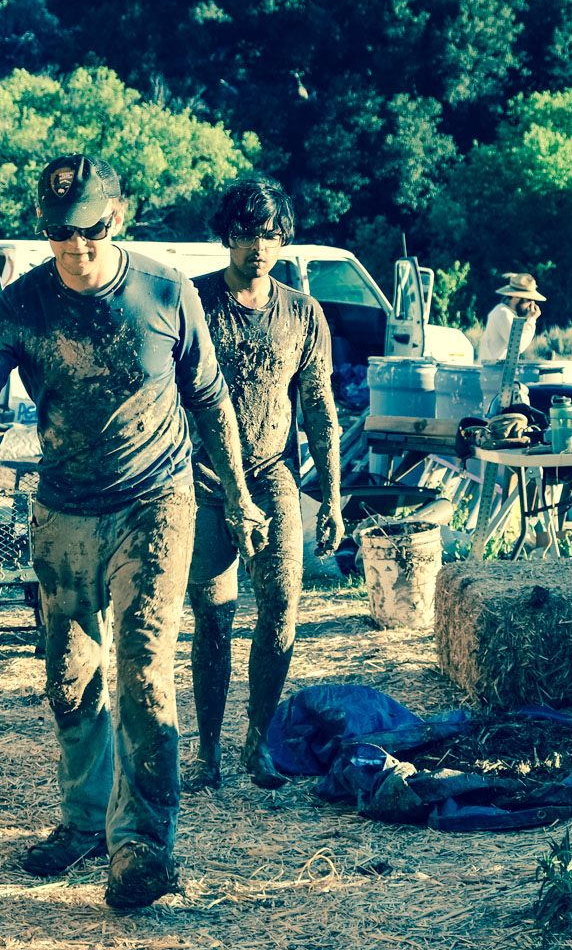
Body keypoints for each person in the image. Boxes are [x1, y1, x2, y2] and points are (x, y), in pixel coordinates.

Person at [0, 153, 269, 910]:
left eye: (91, 230)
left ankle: (142, 846)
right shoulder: (22, 304)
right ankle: (84, 822)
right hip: (64, 507)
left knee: (143, 671)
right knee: (70, 677)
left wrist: (238, 496)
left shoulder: (165, 291)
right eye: (60, 233)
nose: (76, 246)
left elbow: (211, 400)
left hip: (155, 502)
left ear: (117, 218)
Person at [184, 178, 344, 793]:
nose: (259, 247)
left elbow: (320, 409)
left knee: (280, 611)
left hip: (272, 471)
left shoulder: (303, 313)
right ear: (227, 236)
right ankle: (208, 751)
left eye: (271, 235)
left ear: (284, 239)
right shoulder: (194, 302)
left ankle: (257, 742)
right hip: (202, 478)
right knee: (213, 617)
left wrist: (331, 499)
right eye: (248, 234)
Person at [476, 273, 545, 362]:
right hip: (492, 369)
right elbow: (518, 346)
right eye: (529, 300)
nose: (532, 304)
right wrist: (532, 319)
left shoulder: (507, 313)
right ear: (516, 297)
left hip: (495, 368)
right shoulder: (503, 314)